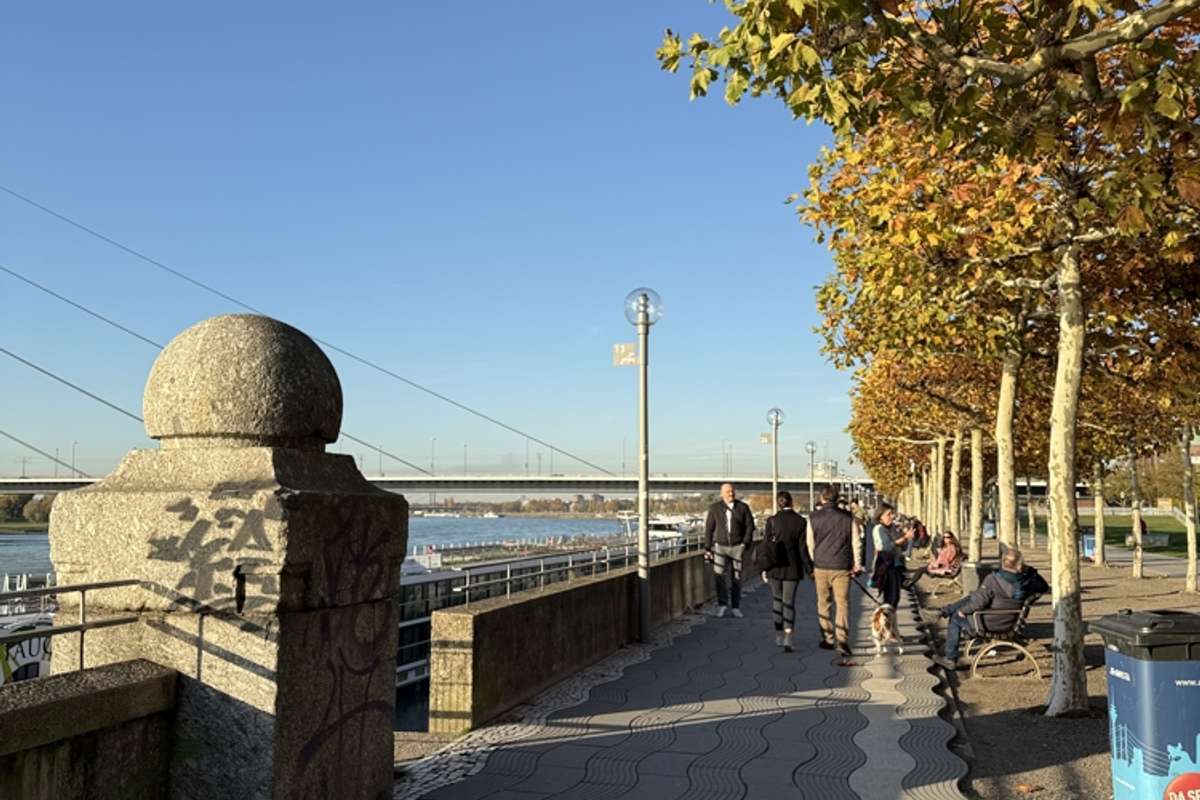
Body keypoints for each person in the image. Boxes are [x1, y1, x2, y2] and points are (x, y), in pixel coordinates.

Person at [927, 547, 1049, 670]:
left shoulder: (993, 579)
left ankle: (950, 658)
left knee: (955, 618)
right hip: (1008, 621)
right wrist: (1030, 570)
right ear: (1021, 564)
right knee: (973, 596)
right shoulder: (1027, 581)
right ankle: (942, 612)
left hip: (988, 622)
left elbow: (978, 604)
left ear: (1002, 562)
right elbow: (1044, 586)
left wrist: (962, 611)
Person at [807, 485, 864, 656]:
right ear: (838, 498)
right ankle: (843, 640)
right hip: (842, 566)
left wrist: (815, 560)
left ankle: (828, 638)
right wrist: (857, 564)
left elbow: (810, 544)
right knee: (842, 603)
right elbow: (856, 543)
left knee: (823, 603)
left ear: (822, 498)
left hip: (821, 566)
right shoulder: (848, 517)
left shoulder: (813, 518)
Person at [759, 491, 813, 652]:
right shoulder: (800, 521)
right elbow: (803, 548)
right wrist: (809, 568)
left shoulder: (772, 521)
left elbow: (766, 546)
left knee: (777, 600)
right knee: (789, 602)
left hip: (774, 566)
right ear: (792, 502)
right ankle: (788, 636)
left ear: (778, 503)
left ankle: (778, 634)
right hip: (792, 567)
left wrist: (764, 568)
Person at [704, 482, 756, 618]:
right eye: (728, 492)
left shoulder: (743, 507)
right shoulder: (715, 508)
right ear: (722, 494)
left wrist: (745, 544)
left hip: (738, 547)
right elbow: (709, 529)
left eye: (732, 491)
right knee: (719, 576)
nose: (731, 494)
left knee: (736, 578)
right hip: (720, 547)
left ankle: (735, 607)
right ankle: (722, 605)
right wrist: (707, 548)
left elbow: (750, 526)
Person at [869, 503, 911, 607]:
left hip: (896, 564)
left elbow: (902, 547)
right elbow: (886, 547)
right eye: (888, 514)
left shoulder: (892, 528)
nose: (892, 516)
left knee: (895, 596)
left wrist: (906, 537)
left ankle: (890, 615)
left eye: (892, 513)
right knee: (890, 596)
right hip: (886, 565)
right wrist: (904, 538)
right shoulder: (879, 529)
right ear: (880, 516)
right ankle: (886, 615)